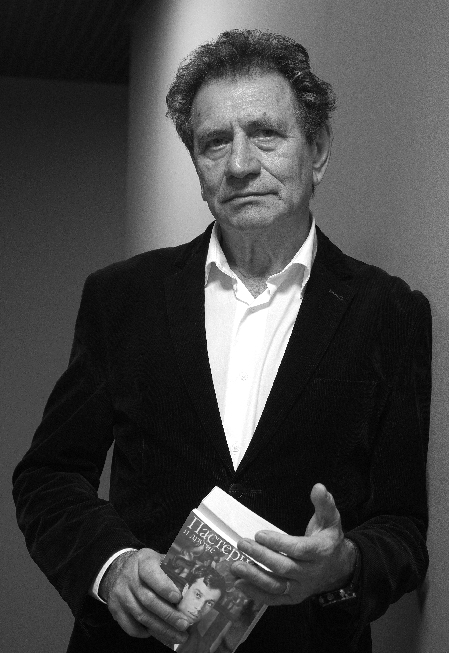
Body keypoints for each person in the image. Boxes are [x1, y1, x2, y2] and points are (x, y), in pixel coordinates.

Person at [13, 29, 431, 653]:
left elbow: (402, 530)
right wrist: (112, 567)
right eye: (214, 142)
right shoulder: (121, 298)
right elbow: (48, 476)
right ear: (198, 167)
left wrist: (341, 566)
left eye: (265, 134)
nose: (239, 164)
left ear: (317, 152)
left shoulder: (388, 313)